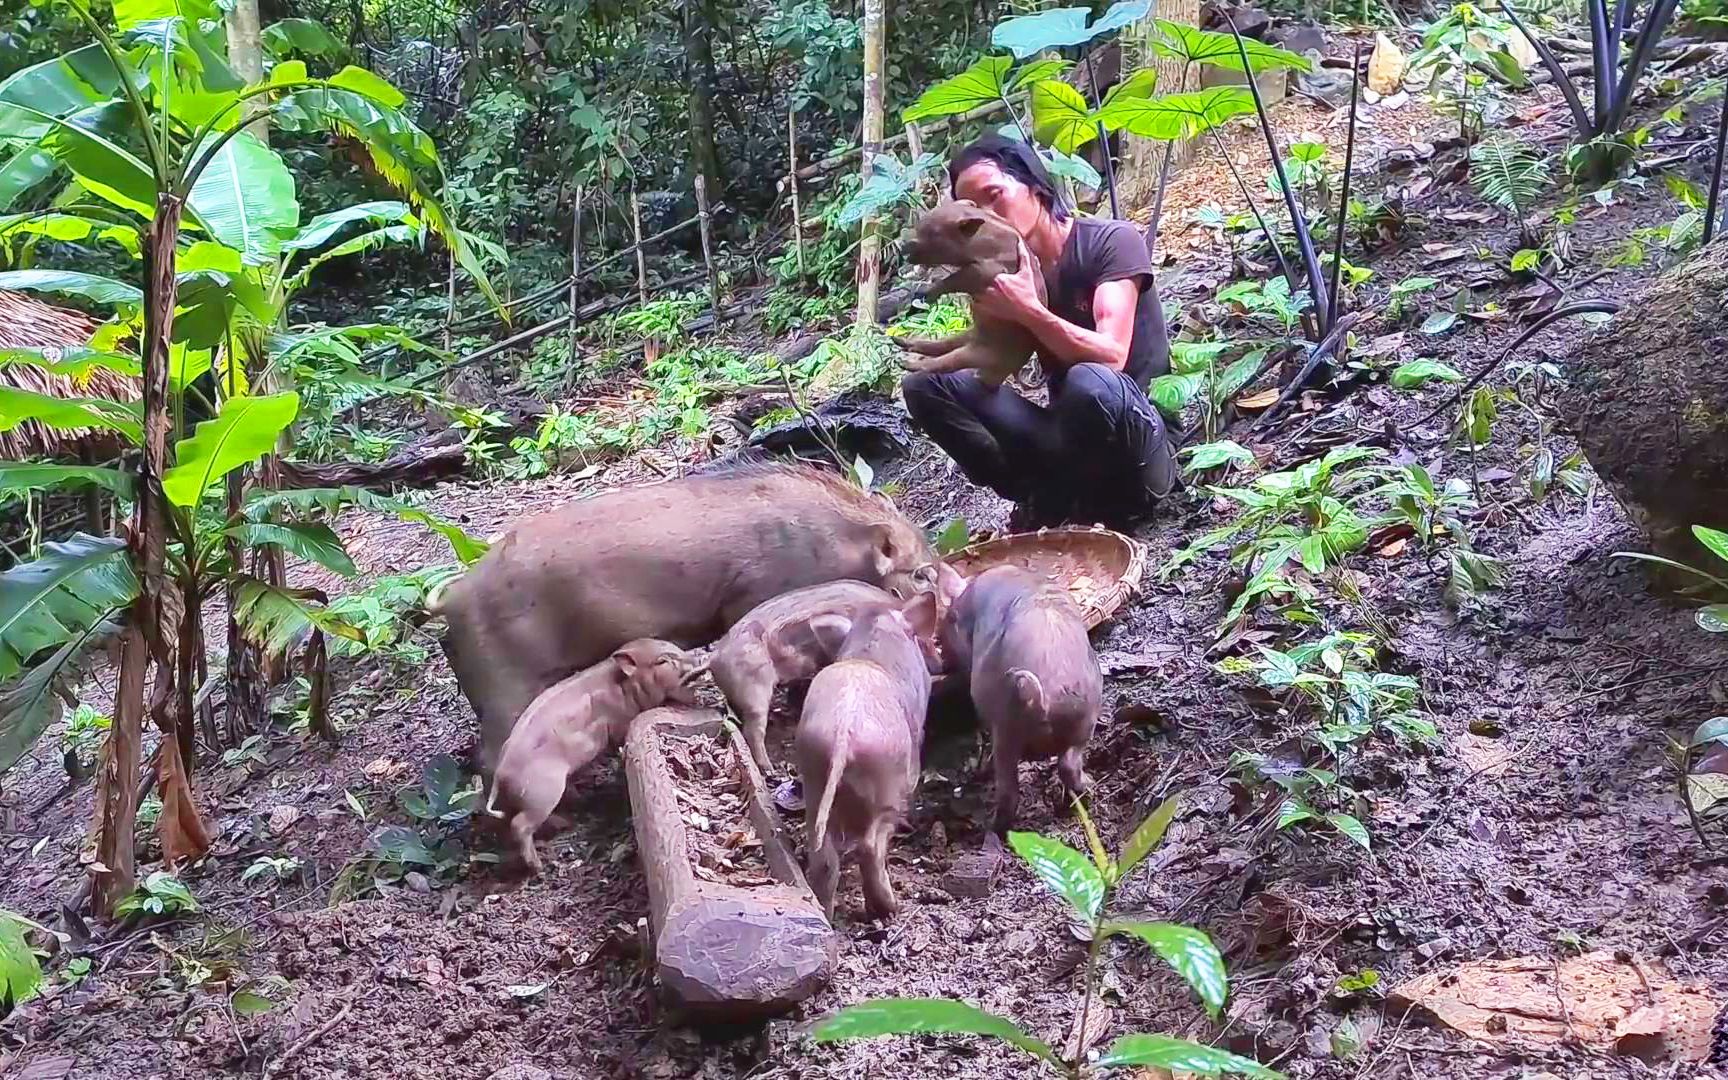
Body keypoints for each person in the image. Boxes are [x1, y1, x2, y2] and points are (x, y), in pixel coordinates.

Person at [900, 134, 1177, 528]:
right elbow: (994, 352)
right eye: (972, 208)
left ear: (1035, 187)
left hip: (1137, 445)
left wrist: (1030, 312)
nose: (984, 216)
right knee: (926, 385)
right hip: (1070, 441)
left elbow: (1112, 356)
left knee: (1089, 380)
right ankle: (1041, 495)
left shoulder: (1111, 242)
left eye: (994, 195)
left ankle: (1115, 506)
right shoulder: (1005, 270)